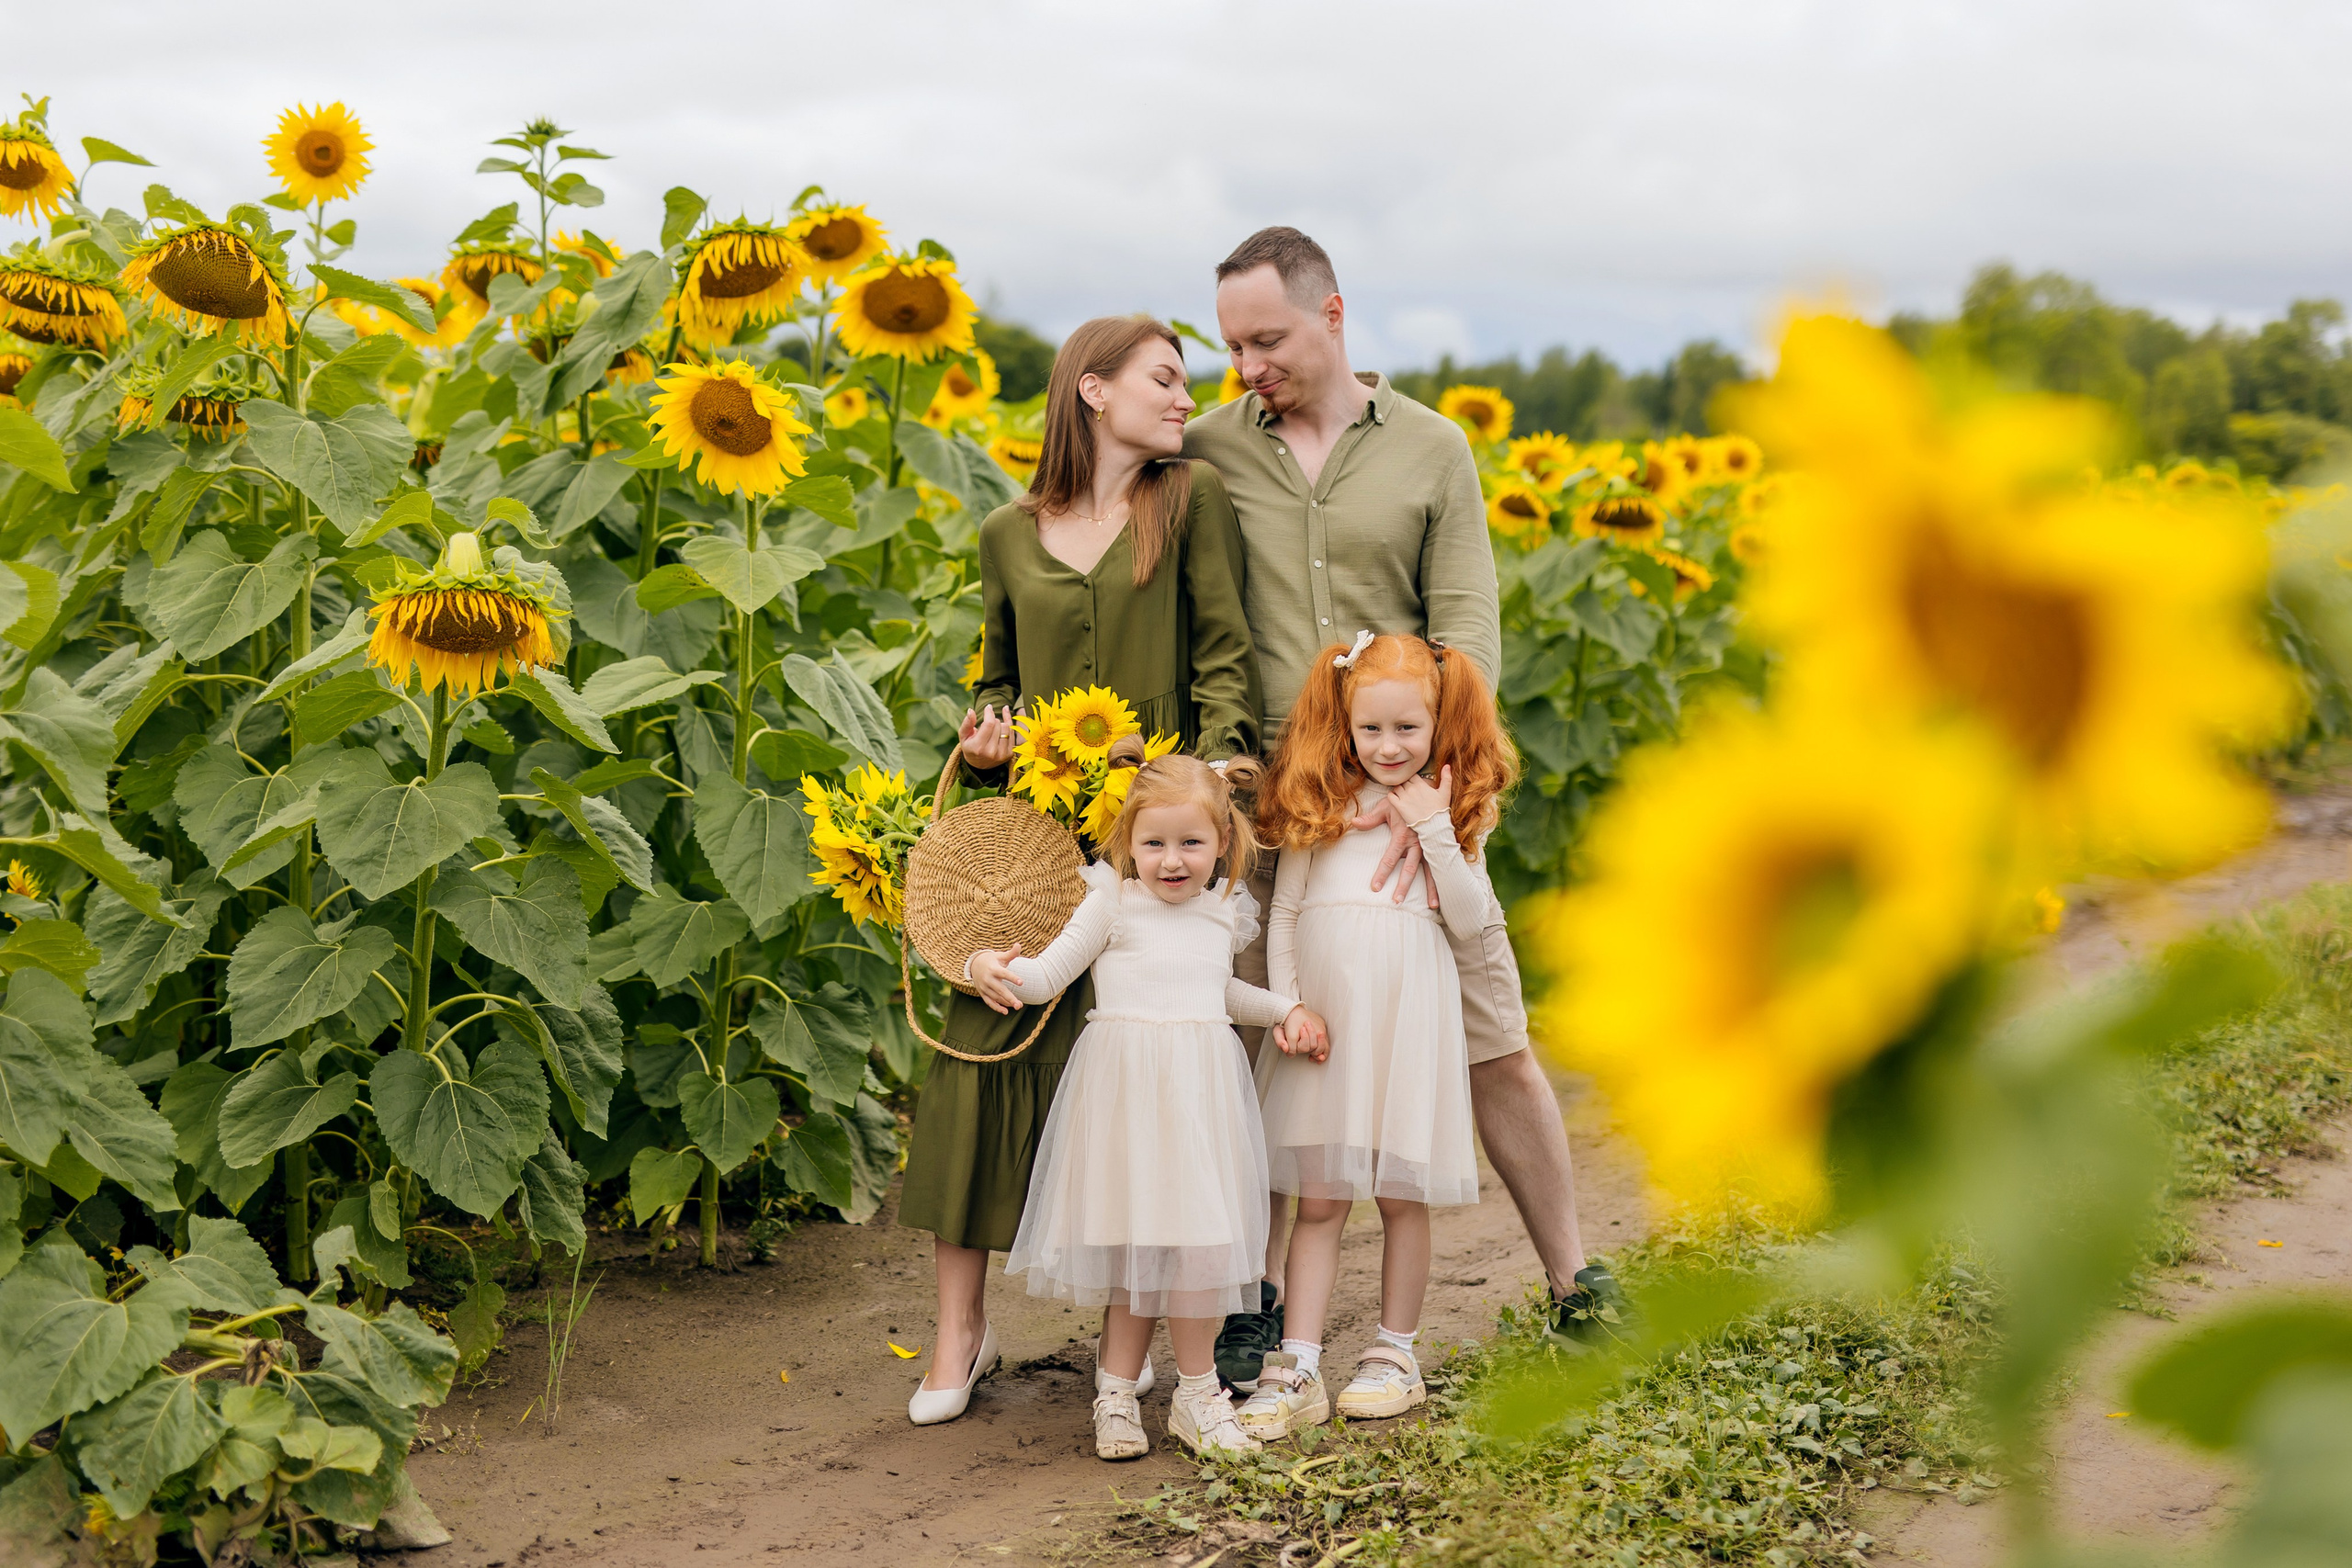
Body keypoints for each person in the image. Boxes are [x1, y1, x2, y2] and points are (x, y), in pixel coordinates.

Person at [1181, 228, 1627, 1387]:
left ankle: (1574, 1279)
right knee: (1259, 1043)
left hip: (1410, 810)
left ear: (1333, 315)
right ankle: (1254, 1303)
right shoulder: (1209, 448)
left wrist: (1434, 808)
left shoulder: (1434, 450)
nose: (1246, 366)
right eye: (1231, 344)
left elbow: (1464, 641)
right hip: (1272, 817)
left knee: (1489, 1039)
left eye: (1267, 339)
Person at [900, 314, 1261, 1426]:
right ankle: (960, 1333)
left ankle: (1132, 1334)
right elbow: (998, 677)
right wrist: (991, 731)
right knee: (978, 1050)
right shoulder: (1008, 534)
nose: (1181, 400)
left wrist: (1197, 790)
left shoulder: (1188, 501)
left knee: (1139, 1078)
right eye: (1163, 379)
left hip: (1153, 834)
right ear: (1091, 391)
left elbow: (1226, 660)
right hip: (1037, 832)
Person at [968, 741, 1328, 1458]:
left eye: (1191, 843)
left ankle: (1197, 1397)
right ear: (1126, 841)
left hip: (1198, 1097)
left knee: (1195, 1253)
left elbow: (1216, 990)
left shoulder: (1223, 912)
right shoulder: (1111, 904)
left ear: (1222, 842)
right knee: (1134, 1260)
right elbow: (1047, 976)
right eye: (1154, 842)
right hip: (1129, 1098)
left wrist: (1283, 1008)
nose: (1172, 859)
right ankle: (1115, 1396)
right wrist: (987, 963)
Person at [1236, 633, 1516, 1434]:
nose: (1389, 747)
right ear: (1344, 724)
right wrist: (1288, 1002)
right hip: (1327, 1024)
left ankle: (1395, 1353)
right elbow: (1285, 911)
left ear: (1438, 723)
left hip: (1406, 1024)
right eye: (1372, 731)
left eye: (1408, 730)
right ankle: (1298, 1365)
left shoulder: (1451, 811)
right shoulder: (1319, 806)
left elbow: (1470, 920)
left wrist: (1431, 828)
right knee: (1318, 1200)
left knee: (1400, 1195)